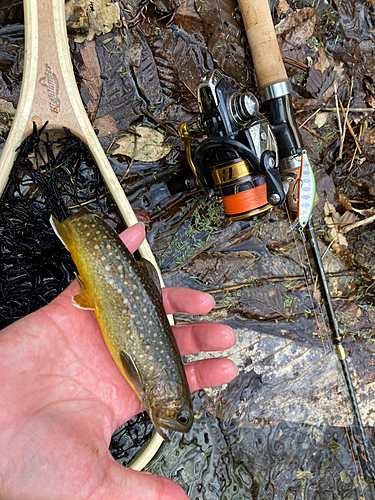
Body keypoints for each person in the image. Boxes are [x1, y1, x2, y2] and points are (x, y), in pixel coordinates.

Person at [0, 223, 238, 500]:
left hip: (114, 298)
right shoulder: (146, 382)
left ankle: (79, 231)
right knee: (81, 237)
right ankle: (80, 229)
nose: (175, 420)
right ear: (168, 394)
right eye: (178, 415)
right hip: (117, 294)